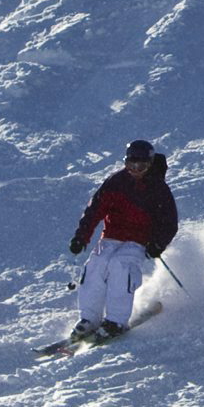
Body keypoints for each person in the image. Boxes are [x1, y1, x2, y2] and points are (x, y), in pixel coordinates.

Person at [67, 139, 177, 342]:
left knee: (120, 266)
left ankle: (116, 320)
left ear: (150, 163)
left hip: (138, 240)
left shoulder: (158, 189)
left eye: (141, 165)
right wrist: (81, 237)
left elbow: (169, 223)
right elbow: (94, 211)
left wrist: (157, 244)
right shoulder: (116, 182)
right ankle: (89, 318)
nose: (135, 169)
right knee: (96, 266)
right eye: (131, 164)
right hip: (111, 237)